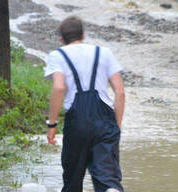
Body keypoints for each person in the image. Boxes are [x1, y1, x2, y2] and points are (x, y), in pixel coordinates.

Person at [44, 16, 125, 192]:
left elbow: (58, 87)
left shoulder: (58, 55)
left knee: (72, 179)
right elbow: (120, 92)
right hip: (105, 121)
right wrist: (116, 126)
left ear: (61, 39)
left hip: (76, 124)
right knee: (107, 178)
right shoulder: (104, 52)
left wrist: (52, 124)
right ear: (83, 35)